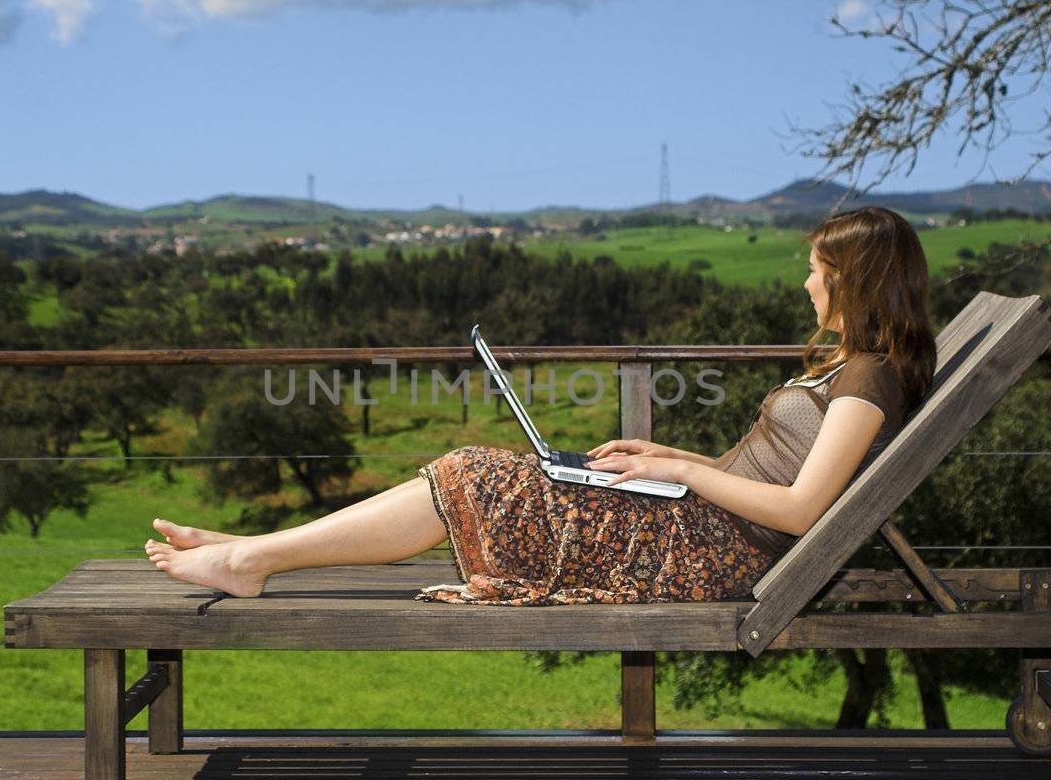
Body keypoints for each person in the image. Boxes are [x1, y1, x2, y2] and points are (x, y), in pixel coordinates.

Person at [146, 206, 936, 604]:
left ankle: (253, 558)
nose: (805, 283)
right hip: (692, 524)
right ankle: (255, 545)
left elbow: (799, 509)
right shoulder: (857, 367)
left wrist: (685, 477)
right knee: (485, 471)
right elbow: (764, 478)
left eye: (815, 270)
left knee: (474, 471)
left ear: (854, 280)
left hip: (707, 553)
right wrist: (667, 461)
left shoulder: (868, 383)